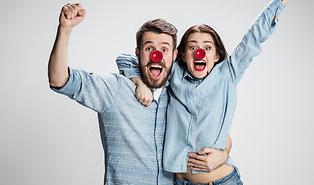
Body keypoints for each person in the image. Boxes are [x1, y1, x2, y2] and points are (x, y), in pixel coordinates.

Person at [116, 0, 300, 185]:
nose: (199, 52)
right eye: (192, 47)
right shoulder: (173, 74)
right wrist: (140, 83)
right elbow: (126, 59)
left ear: (216, 55)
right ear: (181, 55)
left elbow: (255, 35)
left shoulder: (228, 73)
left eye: (206, 47)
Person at [48, 11, 231, 183]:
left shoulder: (180, 93)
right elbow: (59, 79)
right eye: (149, 48)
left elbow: (213, 129)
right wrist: (64, 29)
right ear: (138, 53)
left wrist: (223, 154)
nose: (156, 55)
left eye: (164, 49)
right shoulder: (115, 89)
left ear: (175, 55)